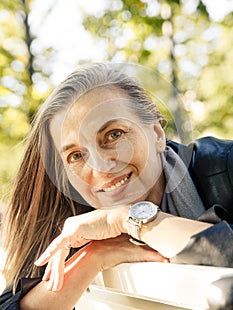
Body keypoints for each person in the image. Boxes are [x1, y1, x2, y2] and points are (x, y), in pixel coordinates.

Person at [0, 62, 233, 310]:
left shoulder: (225, 165)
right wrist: (93, 257)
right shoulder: (74, 218)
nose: (100, 167)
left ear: (156, 133)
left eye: (114, 135)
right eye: (76, 156)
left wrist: (128, 220)